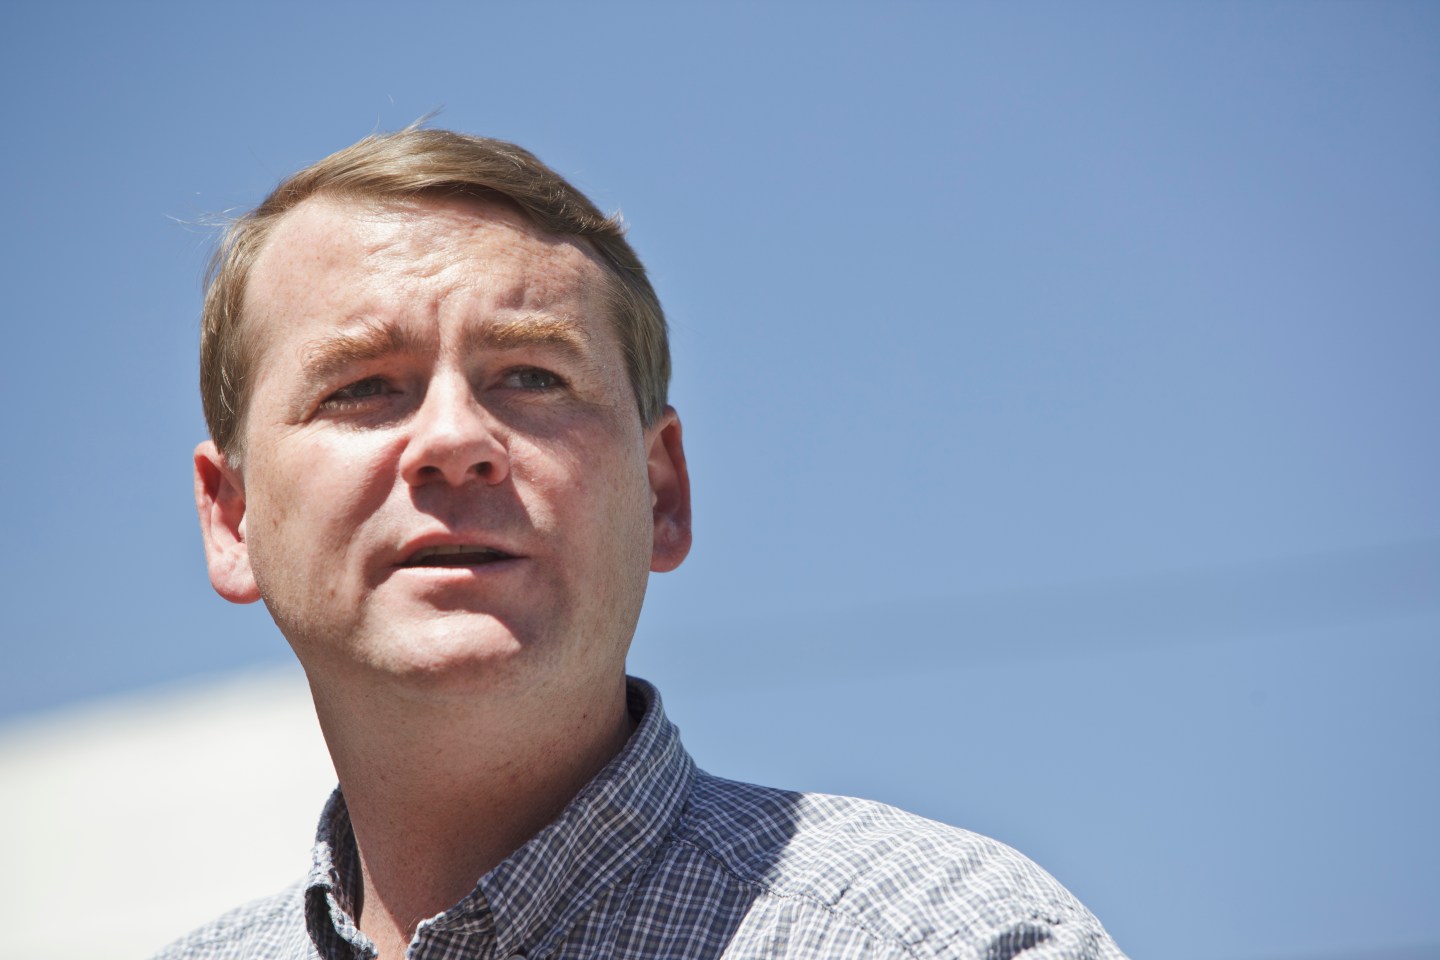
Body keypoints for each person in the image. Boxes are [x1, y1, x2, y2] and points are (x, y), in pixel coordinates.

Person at [159, 127, 1127, 960]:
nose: (454, 439)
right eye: (362, 387)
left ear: (661, 491)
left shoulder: (945, 939)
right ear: (232, 518)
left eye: (533, 377)